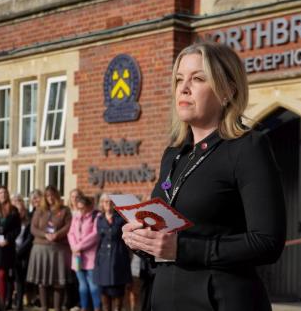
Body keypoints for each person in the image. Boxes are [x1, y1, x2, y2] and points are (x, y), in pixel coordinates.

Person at [122, 42, 286, 311]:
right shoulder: (174, 153)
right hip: (164, 298)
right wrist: (141, 239)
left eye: (197, 78)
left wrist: (182, 248)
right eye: (179, 79)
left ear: (227, 91)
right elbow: (164, 236)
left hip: (220, 299)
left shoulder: (248, 148)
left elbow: (267, 242)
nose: (183, 88)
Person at [26, 185, 72, 311]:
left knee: (58, 282)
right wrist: (45, 235)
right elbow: (33, 228)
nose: (50, 198)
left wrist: (57, 234)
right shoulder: (39, 210)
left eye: (52, 195)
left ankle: (57, 308)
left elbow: (69, 226)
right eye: (47, 196)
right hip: (41, 250)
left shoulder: (65, 210)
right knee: (42, 281)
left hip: (59, 250)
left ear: (57, 196)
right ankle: (44, 307)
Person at [93, 193, 132, 311]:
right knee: (104, 298)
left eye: (110, 202)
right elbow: (97, 240)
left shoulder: (121, 219)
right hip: (103, 260)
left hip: (118, 258)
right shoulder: (99, 220)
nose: (108, 204)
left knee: (118, 298)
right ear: (102, 204)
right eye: (105, 202)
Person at [67, 195, 101, 311]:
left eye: (82, 208)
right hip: (77, 256)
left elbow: (95, 235)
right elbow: (70, 233)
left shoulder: (96, 216)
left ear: (88, 206)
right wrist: (73, 246)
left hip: (90, 256)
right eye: (78, 208)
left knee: (93, 285)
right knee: (82, 285)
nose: (80, 210)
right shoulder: (76, 216)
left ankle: (96, 307)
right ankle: (84, 307)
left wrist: (79, 246)